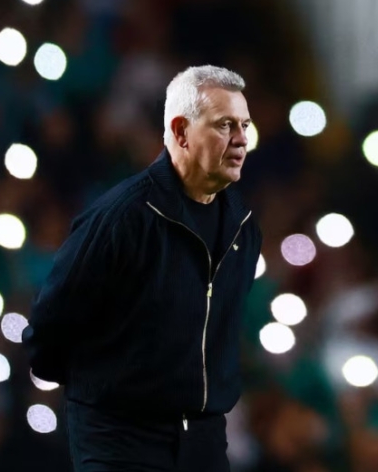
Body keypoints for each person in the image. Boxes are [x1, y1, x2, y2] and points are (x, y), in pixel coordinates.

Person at [22, 65, 262, 471]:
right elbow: (51, 324)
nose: (241, 139)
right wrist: (103, 397)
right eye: (225, 125)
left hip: (203, 441)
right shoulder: (121, 218)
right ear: (181, 131)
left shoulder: (244, 225)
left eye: (244, 125)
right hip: (121, 441)